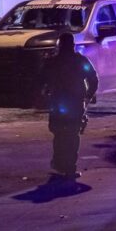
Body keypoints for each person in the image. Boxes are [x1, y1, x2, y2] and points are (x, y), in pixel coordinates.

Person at [39, 33, 99, 181]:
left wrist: (44, 93)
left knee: (59, 133)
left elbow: (41, 80)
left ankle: (60, 164)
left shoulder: (52, 62)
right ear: (73, 45)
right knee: (72, 135)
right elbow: (93, 79)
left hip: (58, 102)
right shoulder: (80, 61)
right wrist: (89, 96)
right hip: (75, 102)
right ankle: (69, 167)